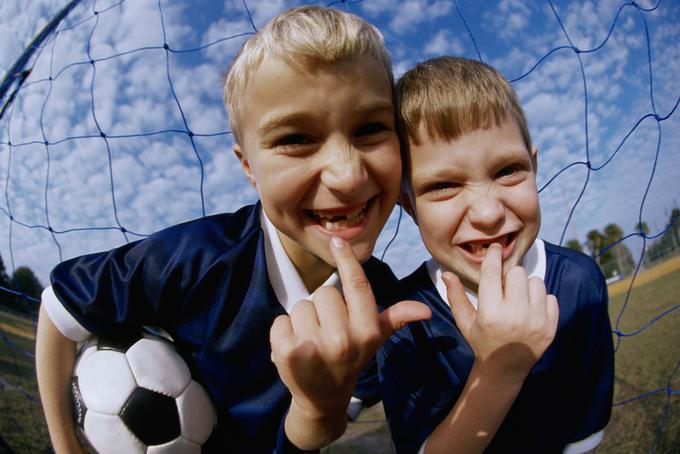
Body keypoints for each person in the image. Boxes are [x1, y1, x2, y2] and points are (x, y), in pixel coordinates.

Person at [35, 6, 432, 453]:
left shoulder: (388, 315)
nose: (346, 174)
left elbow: (311, 439)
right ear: (248, 167)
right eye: (297, 139)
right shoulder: (193, 257)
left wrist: (319, 409)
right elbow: (59, 309)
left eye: (371, 129)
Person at [378, 56, 615, 453]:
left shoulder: (580, 281)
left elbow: (585, 436)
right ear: (408, 205)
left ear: (534, 167)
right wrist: (497, 374)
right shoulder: (406, 320)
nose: (488, 213)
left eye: (507, 170)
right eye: (443, 185)